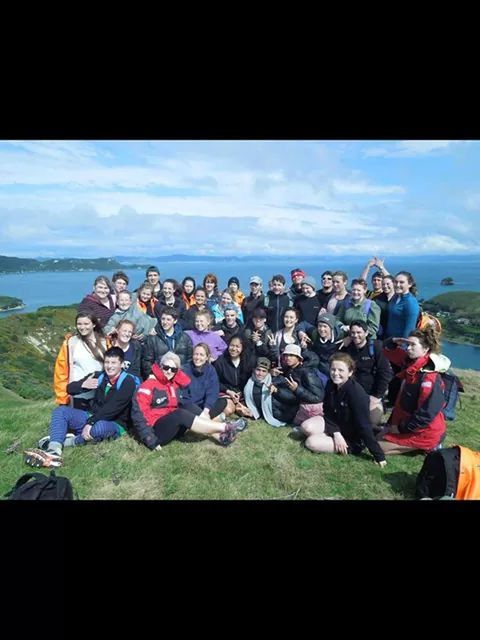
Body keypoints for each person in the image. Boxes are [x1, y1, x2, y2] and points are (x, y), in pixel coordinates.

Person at [27, 347, 138, 467]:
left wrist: (90, 423)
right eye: (107, 362)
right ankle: (53, 450)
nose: (109, 366)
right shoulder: (99, 376)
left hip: (115, 423)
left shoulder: (128, 382)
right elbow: (69, 389)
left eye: (113, 363)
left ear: (121, 364)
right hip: (92, 416)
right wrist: (83, 385)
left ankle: (69, 441)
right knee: (61, 412)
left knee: (98, 429)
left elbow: (112, 409)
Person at [131, 352, 248, 449]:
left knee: (187, 406)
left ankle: (220, 437)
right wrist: (150, 439)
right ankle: (225, 427)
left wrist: (174, 371)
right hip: (156, 432)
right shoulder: (147, 386)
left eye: (173, 369)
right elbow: (138, 415)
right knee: (179, 414)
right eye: (166, 368)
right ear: (159, 367)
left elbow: (186, 381)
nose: (169, 371)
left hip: (171, 426)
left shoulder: (171, 383)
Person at [300, 353, 387, 466]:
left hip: (352, 437)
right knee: (305, 427)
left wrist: (379, 456)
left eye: (341, 370)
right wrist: (336, 433)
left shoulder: (356, 393)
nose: (336, 373)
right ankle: (330, 436)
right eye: (333, 369)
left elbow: (364, 426)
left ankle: (337, 442)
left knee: (311, 442)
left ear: (350, 372)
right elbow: (327, 411)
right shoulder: (331, 384)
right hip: (337, 424)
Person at [378, 327, 450, 455]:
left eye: (412, 345)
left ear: (425, 348)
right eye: (407, 344)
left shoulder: (429, 377)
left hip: (425, 431)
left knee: (377, 448)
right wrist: (394, 340)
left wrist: (401, 428)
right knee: (373, 437)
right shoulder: (410, 363)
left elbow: (426, 413)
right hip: (407, 423)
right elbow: (386, 350)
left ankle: (429, 446)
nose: (408, 348)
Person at [342, 320, 393, 429]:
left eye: (359, 332)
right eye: (353, 333)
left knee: (371, 421)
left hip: (372, 394)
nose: (356, 336)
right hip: (353, 391)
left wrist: (377, 396)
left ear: (366, 333)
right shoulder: (348, 347)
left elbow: (385, 373)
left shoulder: (376, 347)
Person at [54, 312, 106, 410]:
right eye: (79, 324)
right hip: (78, 394)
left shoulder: (105, 342)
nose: (82, 327)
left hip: (99, 394)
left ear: (94, 324)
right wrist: (62, 398)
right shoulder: (71, 343)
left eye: (86, 324)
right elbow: (61, 372)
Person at [267, 344, 324, 426]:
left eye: (291, 355)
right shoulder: (289, 368)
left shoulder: (308, 373)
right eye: (286, 355)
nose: (288, 358)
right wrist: (272, 372)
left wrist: (297, 389)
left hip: (299, 408)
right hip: (291, 402)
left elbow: (318, 397)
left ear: (298, 358)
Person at [141, 307, 193, 378]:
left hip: (179, 377)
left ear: (175, 321)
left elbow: (189, 360)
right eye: (163, 319)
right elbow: (147, 361)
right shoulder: (153, 338)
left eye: (168, 319)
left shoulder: (185, 338)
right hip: (160, 377)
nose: (165, 322)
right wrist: (154, 375)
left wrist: (184, 374)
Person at [182, 343, 228, 419]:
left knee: (223, 402)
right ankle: (210, 422)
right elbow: (184, 396)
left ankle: (202, 421)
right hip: (190, 406)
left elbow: (213, 391)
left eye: (201, 355)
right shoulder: (185, 369)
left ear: (207, 357)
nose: (198, 357)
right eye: (195, 354)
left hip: (203, 405)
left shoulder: (210, 370)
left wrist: (206, 410)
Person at [213, 335, 256, 416]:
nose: (234, 349)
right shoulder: (220, 362)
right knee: (228, 410)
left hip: (241, 394)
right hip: (226, 392)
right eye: (232, 345)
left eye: (237, 346)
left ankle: (239, 407)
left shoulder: (247, 361)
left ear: (242, 348)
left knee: (250, 410)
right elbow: (215, 382)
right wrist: (228, 391)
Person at [242, 357, 286, 427]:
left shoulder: (277, 380)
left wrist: (277, 391)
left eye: (264, 371)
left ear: (268, 372)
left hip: (278, 413)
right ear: (254, 370)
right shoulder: (249, 382)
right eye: (258, 370)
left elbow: (289, 397)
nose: (260, 373)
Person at [385, 271, 420, 339]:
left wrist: (404, 346)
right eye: (396, 282)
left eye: (401, 282)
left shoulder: (411, 303)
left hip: (399, 344)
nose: (397, 285)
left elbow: (410, 330)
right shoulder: (395, 296)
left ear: (409, 284)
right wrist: (381, 267)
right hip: (389, 340)